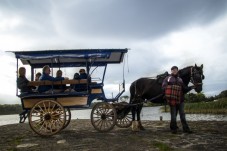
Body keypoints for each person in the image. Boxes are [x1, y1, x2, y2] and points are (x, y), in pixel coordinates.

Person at [162, 66, 194, 134]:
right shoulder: (168, 78)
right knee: (173, 115)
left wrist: (191, 87)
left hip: (181, 100)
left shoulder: (180, 79)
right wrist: (174, 88)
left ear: (177, 70)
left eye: (176, 70)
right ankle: (174, 129)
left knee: (182, 114)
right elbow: (164, 87)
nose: (174, 71)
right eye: (173, 70)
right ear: (171, 71)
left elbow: (184, 89)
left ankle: (186, 129)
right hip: (172, 100)